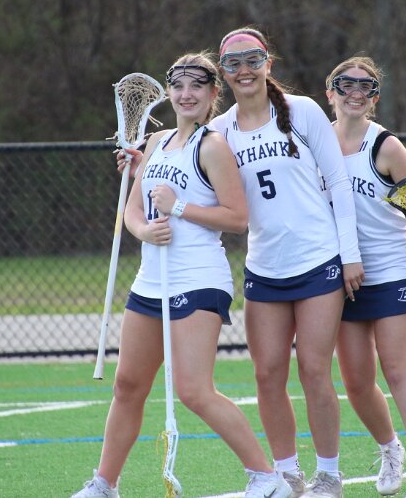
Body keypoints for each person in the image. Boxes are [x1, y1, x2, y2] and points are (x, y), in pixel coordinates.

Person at [74, 52, 292, 498]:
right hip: (151, 280)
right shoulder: (156, 142)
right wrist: (144, 231)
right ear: (169, 92)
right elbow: (133, 212)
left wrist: (179, 208)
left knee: (194, 390)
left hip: (198, 278)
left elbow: (237, 218)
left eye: (197, 86)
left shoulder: (212, 146)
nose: (186, 94)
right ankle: (104, 484)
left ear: (213, 94)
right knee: (127, 385)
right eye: (178, 85)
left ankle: (267, 478)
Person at [207, 27, 366, 498]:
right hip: (265, 267)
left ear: (267, 63)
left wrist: (350, 255)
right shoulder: (220, 131)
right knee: (267, 374)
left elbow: (339, 182)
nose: (244, 70)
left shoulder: (303, 112)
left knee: (314, 371)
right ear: (224, 73)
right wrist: (141, 163)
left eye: (252, 60)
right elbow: (184, 166)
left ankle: (329, 475)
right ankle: (287, 473)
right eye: (233, 63)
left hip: (317, 261)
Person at [324, 56, 406, 498]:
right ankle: (389, 448)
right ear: (330, 92)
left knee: (397, 370)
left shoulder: (386, 147)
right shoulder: (316, 143)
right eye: (346, 85)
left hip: (395, 269)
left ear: (375, 98)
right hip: (344, 277)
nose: (356, 93)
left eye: (367, 87)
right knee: (357, 382)